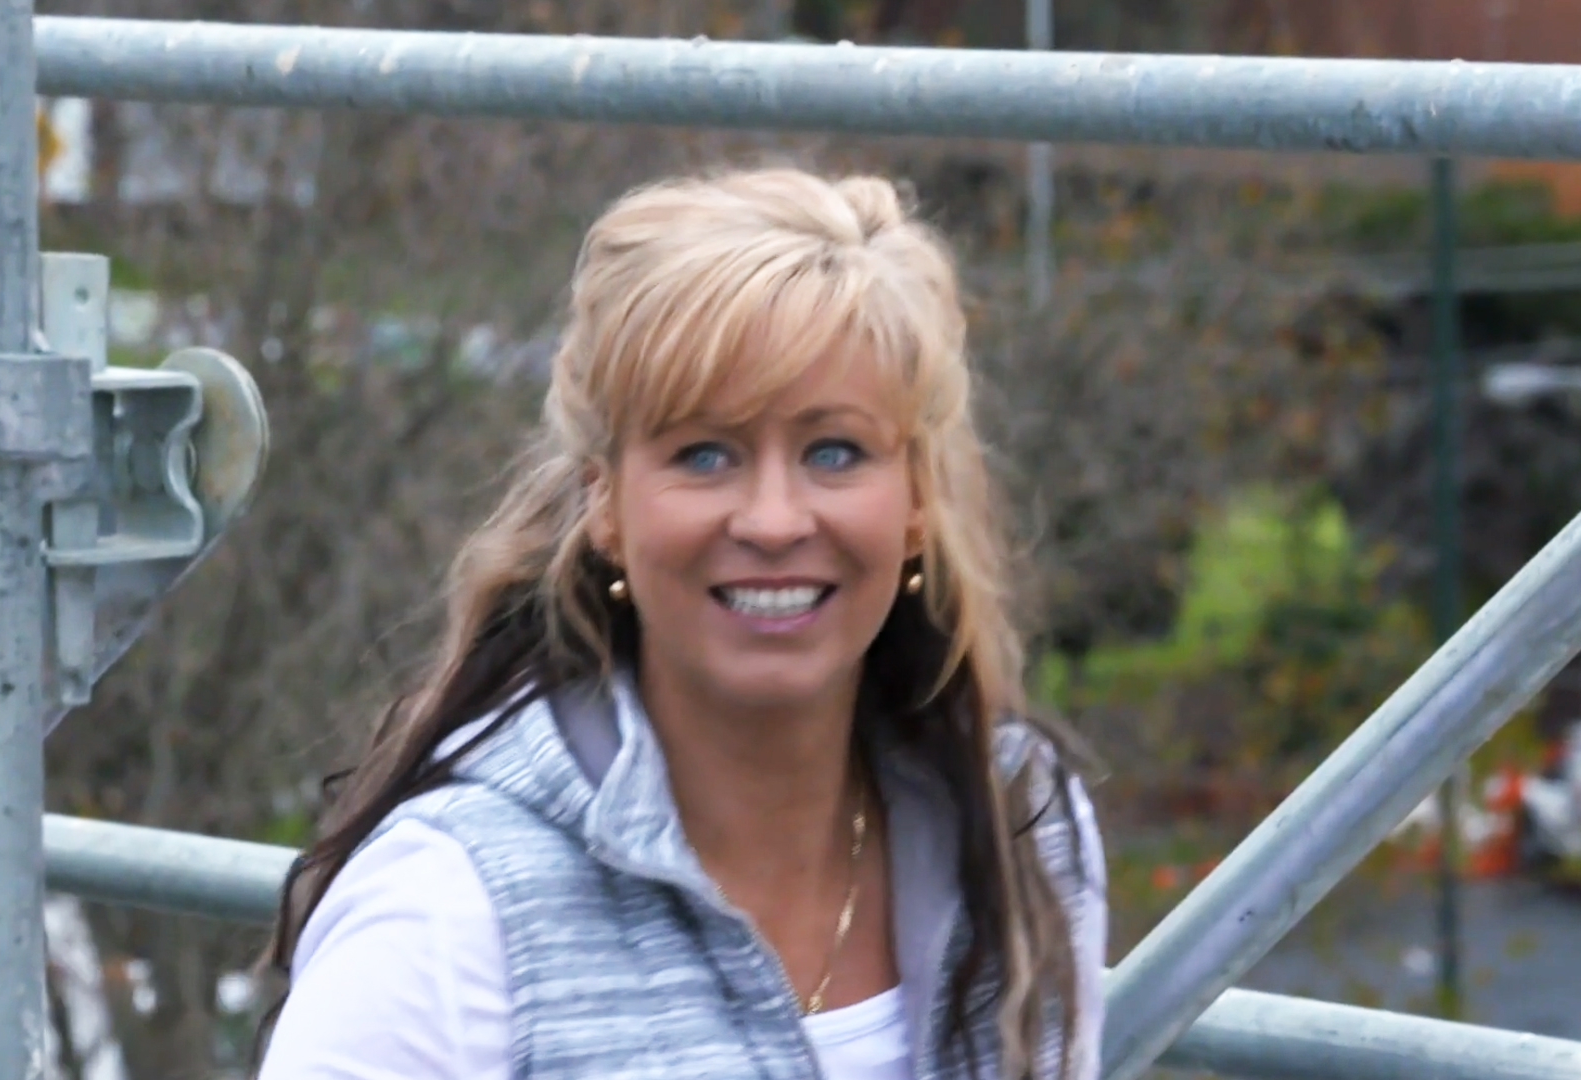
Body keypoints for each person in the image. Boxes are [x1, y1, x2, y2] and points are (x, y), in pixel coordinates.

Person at [256, 167, 1106, 1080]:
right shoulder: (444, 911)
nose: (773, 521)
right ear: (605, 505)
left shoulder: (1018, 828)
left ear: (916, 501)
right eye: (704, 455)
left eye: (834, 451)